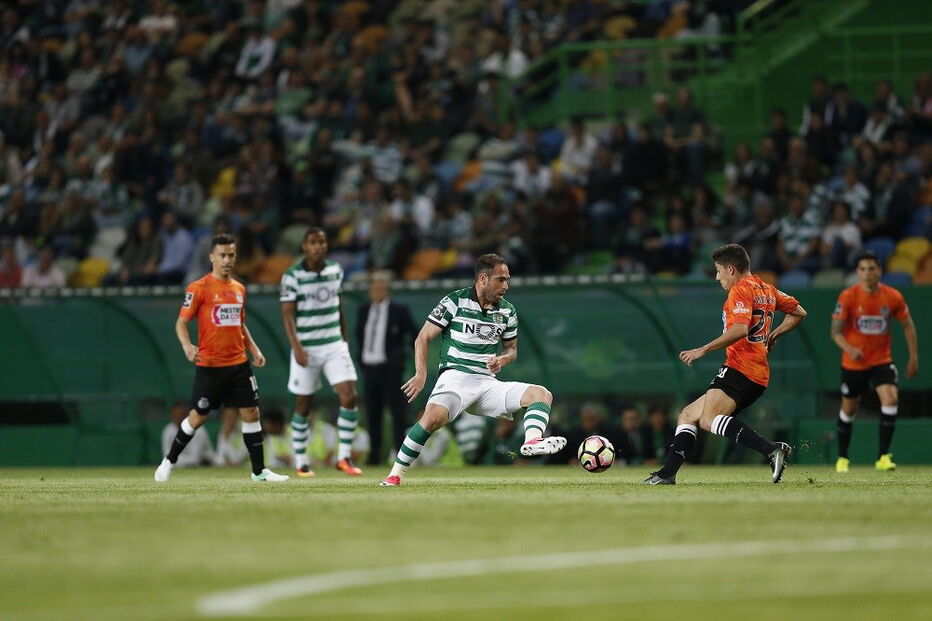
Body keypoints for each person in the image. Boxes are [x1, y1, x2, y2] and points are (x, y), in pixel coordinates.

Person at [380, 253, 567, 486]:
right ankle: (395, 474)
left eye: (507, 280)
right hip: (456, 378)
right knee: (432, 418)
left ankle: (532, 441)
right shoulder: (454, 301)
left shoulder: (507, 311)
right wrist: (421, 373)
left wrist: (502, 360)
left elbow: (511, 350)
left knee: (541, 394)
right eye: (501, 279)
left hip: (486, 383)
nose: (506, 286)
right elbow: (423, 337)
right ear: (483, 279)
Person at [643, 243, 807, 485]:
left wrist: (703, 349)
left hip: (741, 367)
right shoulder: (767, 289)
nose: (717, 277)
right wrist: (774, 335)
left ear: (731, 269)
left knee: (708, 420)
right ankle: (667, 474)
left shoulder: (740, 290)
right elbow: (799, 312)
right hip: (757, 373)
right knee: (688, 415)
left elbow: (740, 329)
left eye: (719, 271)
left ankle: (771, 449)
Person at [154, 233, 288, 483]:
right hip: (210, 366)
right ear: (212, 257)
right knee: (197, 417)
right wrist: (187, 346)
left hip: (238, 364)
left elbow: (240, 324)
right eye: (222, 255)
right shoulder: (198, 288)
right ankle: (168, 461)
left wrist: (255, 349)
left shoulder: (239, 289)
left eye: (231, 255)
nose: (227, 260)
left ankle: (259, 471)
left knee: (251, 413)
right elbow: (181, 323)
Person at [281, 227, 362, 478]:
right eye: (313, 242)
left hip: (334, 344)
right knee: (303, 404)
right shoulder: (292, 276)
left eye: (322, 242)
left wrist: (344, 338)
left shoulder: (335, 270)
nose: (318, 246)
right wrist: (296, 347)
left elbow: (337, 304)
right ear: (304, 247)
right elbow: (287, 314)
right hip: (306, 347)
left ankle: (344, 457)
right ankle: (301, 461)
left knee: (349, 396)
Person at [831, 251, 919, 473]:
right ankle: (842, 458)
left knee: (891, 399)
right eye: (863, 269)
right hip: (854, 364)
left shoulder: (893, 296)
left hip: (881, 360)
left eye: (872, 268)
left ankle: (883, 457)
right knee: (849, 409)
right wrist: (850, 349)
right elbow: (835, 332)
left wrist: (913, 357)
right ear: (857, 272)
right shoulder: (848, 296)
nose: (867, 273)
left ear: (879, 270)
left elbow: (907, 325)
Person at [356, 270, 417, 465]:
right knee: (372, 412)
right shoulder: (364, 310)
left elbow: (415, 333)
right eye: (374, 288)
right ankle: (375, 454)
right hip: (370, 368)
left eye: (381, 288)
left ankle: (400, 454)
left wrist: (401, 357)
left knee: (397, 412)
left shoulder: (399, 310)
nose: (377, 292)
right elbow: (360, 335)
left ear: (388, 290)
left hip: (391, 369)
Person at [160, 401, 215, 468]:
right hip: (182, 467)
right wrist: (171, 460)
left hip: (208, 465)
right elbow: (166, 458)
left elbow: (195, 460)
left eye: (180, 414)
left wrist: (173, 459)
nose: (178, 417)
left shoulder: (198, 429)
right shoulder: (168, 431)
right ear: (171, 415)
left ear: (186, 415)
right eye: (176, 415)